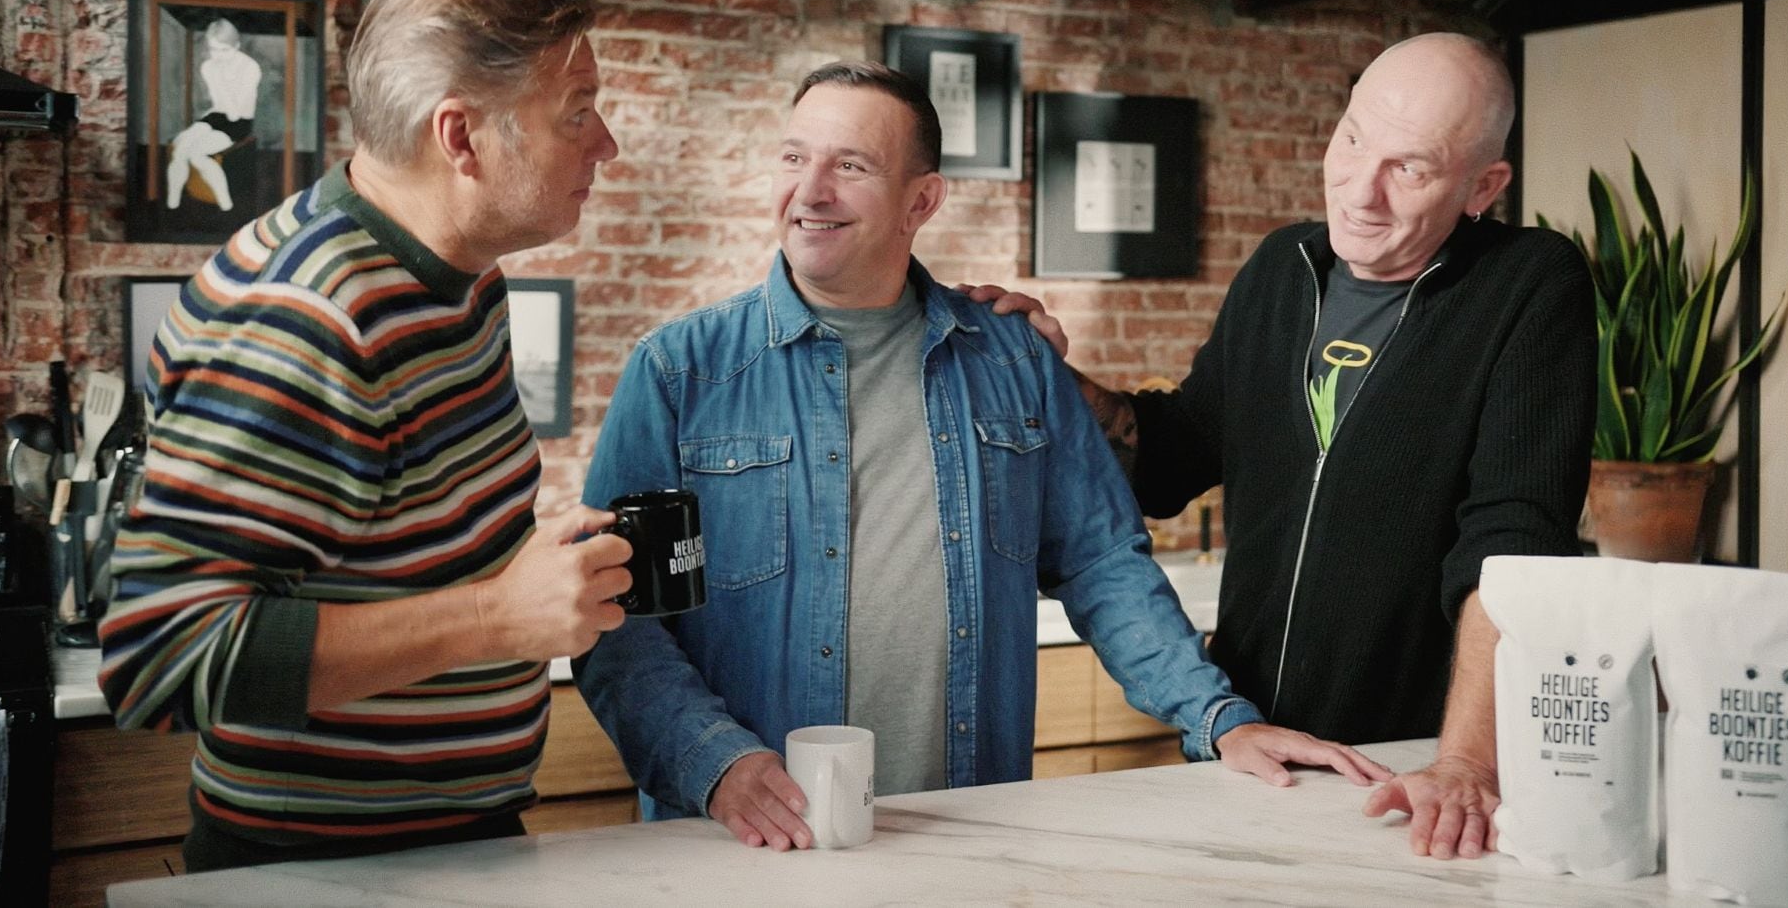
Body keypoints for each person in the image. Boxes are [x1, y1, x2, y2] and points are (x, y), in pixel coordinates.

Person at [575, 61, 1391, 852]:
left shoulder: (1012, 360)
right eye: (795, 157)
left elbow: (1104, 563)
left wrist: (1220, 717)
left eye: (850, 165)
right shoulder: (681, 371)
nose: (810, 189)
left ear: (920, 199)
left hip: (965, 835)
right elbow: (613, 621)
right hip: (749, 844)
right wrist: (718, 765)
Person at [964, 32, 1595, 861]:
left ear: (1484, 186)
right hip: (1254, 747)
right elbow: (1176, 451)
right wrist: (1059, 382)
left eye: (1410, 168)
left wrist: (1465, 760)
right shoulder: (1280, 267)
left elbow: (1512, 542)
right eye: (1354, 139)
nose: (1360, 192)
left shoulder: (1530, 284)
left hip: (1406, 771)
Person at [99, 0, 633, 872]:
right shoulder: (305, 320)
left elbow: (390, 532)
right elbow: (161, 654)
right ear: (460, 136)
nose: (607, 143)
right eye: (577, 114)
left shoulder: (459, 278)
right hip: (311, 867)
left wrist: (521, 568)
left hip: (448, 843)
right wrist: (496, 616)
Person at [165, 17, 262, 211]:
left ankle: (225, 203)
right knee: (179, 149)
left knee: (196, 154)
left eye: (224, 50)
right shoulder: (208, 67)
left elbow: (235, 112)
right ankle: (172, 203)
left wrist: (221, 76)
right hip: (217, 115)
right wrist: (216, 73)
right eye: (213, 49)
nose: (218, 56)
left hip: (239, 121)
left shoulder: (250, 67)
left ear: (237, 46)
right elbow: (219, 105)